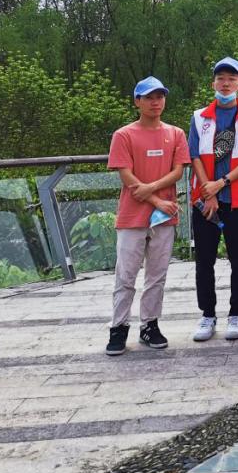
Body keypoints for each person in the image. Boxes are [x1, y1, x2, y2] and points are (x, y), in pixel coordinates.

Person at [105, 77, 190, 356]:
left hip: (164, 216)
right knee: (126, 275)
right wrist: (156, 198)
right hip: (133, 215)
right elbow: (127, 176)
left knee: (157, 275)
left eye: (160, 96)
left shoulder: (176, 133)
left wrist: (151, 190)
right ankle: (118, 327)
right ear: (137, 102)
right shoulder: (124, 135)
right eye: (149, 97)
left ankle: (150, 324)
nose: (155, 102)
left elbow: (178, 171)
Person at [189, 57, 238, 343]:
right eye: (221, 78)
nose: (226, 83)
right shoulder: (199, 117)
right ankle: (207, 314)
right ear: (213, 83)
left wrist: (221, 184)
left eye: (232, 79)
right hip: (205, 200)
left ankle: (236, 312)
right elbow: (194, 155)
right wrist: (209, 191)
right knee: (204, 260)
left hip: (237, 198)